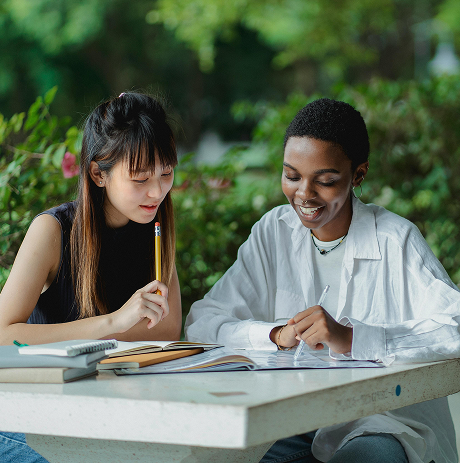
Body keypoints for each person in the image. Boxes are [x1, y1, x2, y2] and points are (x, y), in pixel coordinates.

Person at [185, 98, 460, 463]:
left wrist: (351, 338)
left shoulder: (395, 239)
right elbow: (203, 321)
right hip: (299, 419)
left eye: (326, 181)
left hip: (381, 421)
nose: (304, 194)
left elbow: (454, 326)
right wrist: (274, 335)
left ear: (358, 175)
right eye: (292, 176)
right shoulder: (274, 232)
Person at [0, 92, 182, 462]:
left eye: (165, 174)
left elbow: (166, 330)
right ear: (99, 173)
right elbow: (4, 336)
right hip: (31, 412)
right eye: (140, 178)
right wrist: (114, 321)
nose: (157, 191)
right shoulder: (53, 231)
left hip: (107, 409)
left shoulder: (156, 227)